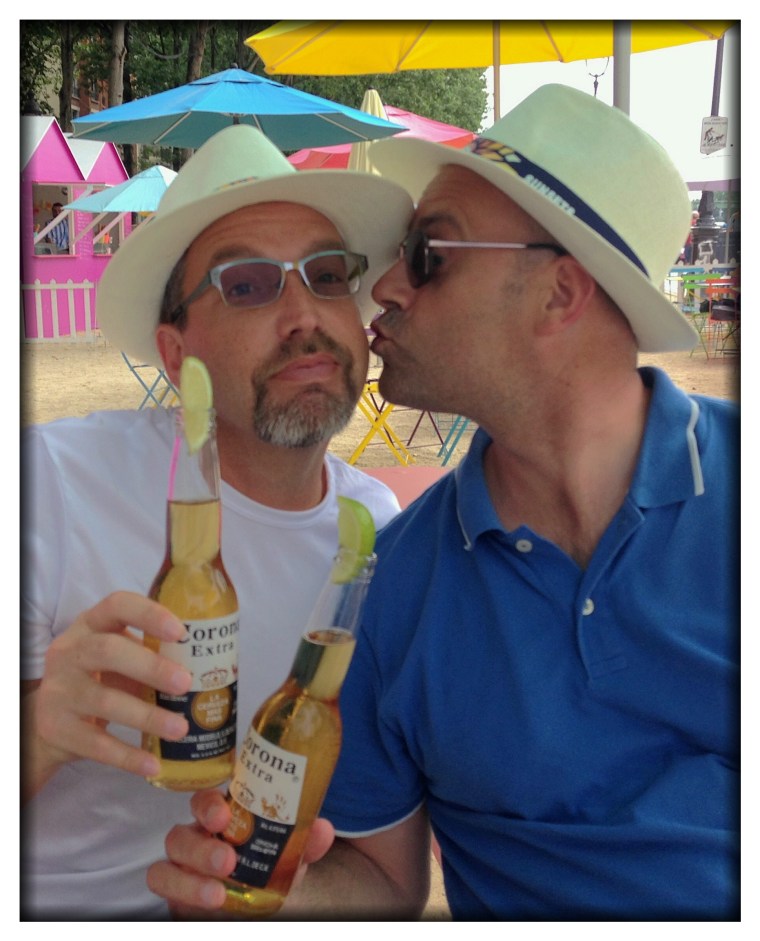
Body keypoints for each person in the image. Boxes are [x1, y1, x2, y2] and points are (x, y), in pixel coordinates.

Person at [149, 85, 739, 921]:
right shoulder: (397, 582)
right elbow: (386, 884)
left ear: (561, 293)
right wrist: (260, 898)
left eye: (429, 252)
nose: (383, 286)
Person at [21, 124, 413, 920]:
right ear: (175, 354)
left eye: (328, 275)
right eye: (247, 284)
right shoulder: (47, 484)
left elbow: (392, 887)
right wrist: (33, 731)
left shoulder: (372, 536)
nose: (305, 312)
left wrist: (283, 900)